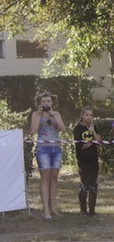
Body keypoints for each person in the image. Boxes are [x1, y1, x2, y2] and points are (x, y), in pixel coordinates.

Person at [30, 91, 66, 220]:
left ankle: (53, 207)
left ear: (52, 102)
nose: (46, 103)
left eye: (48, 101)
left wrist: (53, 115)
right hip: (43, 149)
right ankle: (45, 209)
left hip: (55, 149)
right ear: (39, 103)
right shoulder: (35, 114)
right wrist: (40, 115)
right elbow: (33, 131)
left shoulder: (56, 114)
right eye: (43, 101)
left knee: (54, 178)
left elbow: (63, 129)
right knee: (45, 178)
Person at [73, 106, 102, 216]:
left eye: (90, 115)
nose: (88, 117)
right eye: (86, 115)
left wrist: (93, 132)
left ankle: (92, 209)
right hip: (83, 159)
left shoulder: (94, 127)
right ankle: (83, 209)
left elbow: (99, 141)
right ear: (82, 115)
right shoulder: (78, 128)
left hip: (93, 158)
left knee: (93, 183)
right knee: (85, 182)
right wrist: (92, 141)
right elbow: (81, 146)